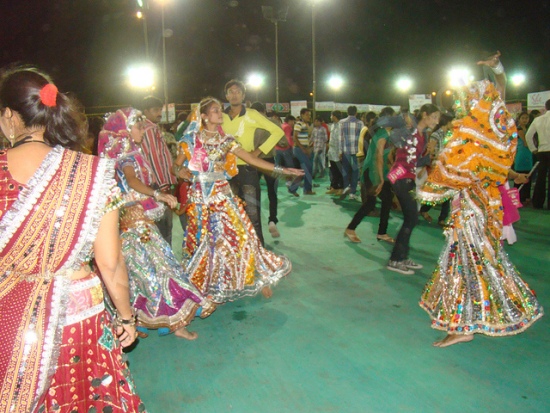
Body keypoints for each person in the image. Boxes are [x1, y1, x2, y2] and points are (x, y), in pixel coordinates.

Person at [0, 67, 145, 411]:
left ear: (9, 115)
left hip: (9, 314)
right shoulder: (93, 172)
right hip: (79, 318)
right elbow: (110, 263)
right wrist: (126, 318)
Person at [418, 54, 543, 347]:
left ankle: (467, 326)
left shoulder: (471, 134)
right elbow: (499, 95)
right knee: (475, 260)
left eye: (471, 97)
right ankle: (469, 319)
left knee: (469, 261)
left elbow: (451, 175)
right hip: (484, 202)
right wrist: (497, 70)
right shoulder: (492, 130)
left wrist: (427, 191)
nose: (465, 101)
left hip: (473, 207)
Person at [99, 108, 215, 340]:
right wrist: (158, 195)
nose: (143, 130)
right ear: (125, 131)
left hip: (130, 222)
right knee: (162, 267)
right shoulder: (127, 158)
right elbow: (132, 181)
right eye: (138, 126)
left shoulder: (127, 154)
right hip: (136, 223)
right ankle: (174, 323)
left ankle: (137, 321)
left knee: (137, 271)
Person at [174, 97, 302, 303]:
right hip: (199, 199)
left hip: (223, 196)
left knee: (241, 236)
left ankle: (256, 278)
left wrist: (283, 170)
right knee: (202, 243)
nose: (219, 114)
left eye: (219, 110)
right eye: (215, 111)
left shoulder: (227, 141)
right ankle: (204, 284)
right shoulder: (191, 140)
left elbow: (253, 159)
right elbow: (177, 165)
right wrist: (181, 172)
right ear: (204, 117)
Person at [222, 80, 285, 245]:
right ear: (226, 95)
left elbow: (277, 131)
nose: (234, 94)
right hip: (225, 172)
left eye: (238, 92)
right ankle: (238, 253)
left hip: (247, 170)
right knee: (230, 214)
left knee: (253, 214)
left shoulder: (252, 114)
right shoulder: (220, 117)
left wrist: (258, 152)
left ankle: (259, 253)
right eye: (231, 91)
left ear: (243, 96)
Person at [386, 104, 440, 274]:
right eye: (434, 117)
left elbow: (415, 162)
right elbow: (393, 136)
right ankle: (395, 259)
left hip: (408, 177)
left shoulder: (423, 136)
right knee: (411, 218)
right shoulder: (410, 130)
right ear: (425, 114)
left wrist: (430, 158)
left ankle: (402, 256)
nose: (436, 121)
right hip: (400, 177)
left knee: (412, 218)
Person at [344, 108, 396, 244]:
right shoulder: (383, 134)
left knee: (387, 200)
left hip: (379, 172)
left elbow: (386, 157)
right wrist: (380, 181)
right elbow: (378, 157)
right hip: (372, 173)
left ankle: (382, 233)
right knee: (370, 203)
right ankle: (350, 229)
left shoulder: (386, 133)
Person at [141, 96, 177, 244]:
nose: (159, 113)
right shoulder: (149, 129)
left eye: (160, 110)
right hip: (157, 184)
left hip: (156, 184)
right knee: (163, 226)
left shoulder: (152, 128)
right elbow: (154, 158)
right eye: (155, 110)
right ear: (145, 111)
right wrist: (162, 186)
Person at [418, 113, 454, 225]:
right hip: (437, 168)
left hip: (446, 167)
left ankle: (441, 217)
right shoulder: (436, 135)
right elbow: (430, 151)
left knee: (446, 193)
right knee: (438, 192)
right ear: (446, 122)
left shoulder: (448, 134)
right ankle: (426, 211)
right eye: (451, 122)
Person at [526, 99, 550, 209]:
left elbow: (528, 136)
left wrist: (533, 149)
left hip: (541, 151)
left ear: (545, 107)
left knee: (540, 177)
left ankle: (537, 202)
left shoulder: (538, 120)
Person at [339, 105, 364, 200]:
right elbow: (362, 139)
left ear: (347, 112)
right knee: (355, 172)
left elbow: (340, 138)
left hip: (345, 151)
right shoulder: (360, 123)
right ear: (356, 113)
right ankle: (352, 193)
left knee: (345, 171)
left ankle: (346, 187)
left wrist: (340, 151)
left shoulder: (342, 122)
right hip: (356, 152)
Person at [276, 114, 302, 197]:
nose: (293, 123)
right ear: (290, 121)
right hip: (285, 150)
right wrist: (291, 145)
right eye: (293, 121)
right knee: (290, 167)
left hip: (277, 149)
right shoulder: (288, 127)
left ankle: (275, 186)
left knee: (277, 169)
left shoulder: (281, 125)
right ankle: (290, 185)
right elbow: (287, 138)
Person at [293, 108, 316, 195]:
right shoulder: (298, 124)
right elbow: (295, 137)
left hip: (305, 148)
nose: (309, 117)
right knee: (308, 168)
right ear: (302, 115)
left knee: (306, 170)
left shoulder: (307, 125)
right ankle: (306, 189)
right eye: (307, 115)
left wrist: (309, 148)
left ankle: (295, 189)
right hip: (299, 149)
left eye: (310, 115)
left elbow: (307, 138)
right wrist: (302, 148)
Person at [513, 111, 533, 203]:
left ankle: (526, 197)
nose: (525, 120)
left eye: (526, 118)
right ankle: (517, 198)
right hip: (522, 153)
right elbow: (526, 142)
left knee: (528, 175)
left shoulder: (529, 129)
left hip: (529, 154)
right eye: (523, 118)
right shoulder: (519, 129)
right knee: (519, 176)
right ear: (519, 119)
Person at [326, 110, 344, 194]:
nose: (330, 117)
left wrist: (341, 152)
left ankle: (341, 188)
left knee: (339, 171)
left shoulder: (341, 125)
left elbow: (341, 140)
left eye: (331, 115)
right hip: (331, 151)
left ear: (334, 116)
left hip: (338, 152)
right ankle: (334, 187)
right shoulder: (332, 126)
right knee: (333, 170)